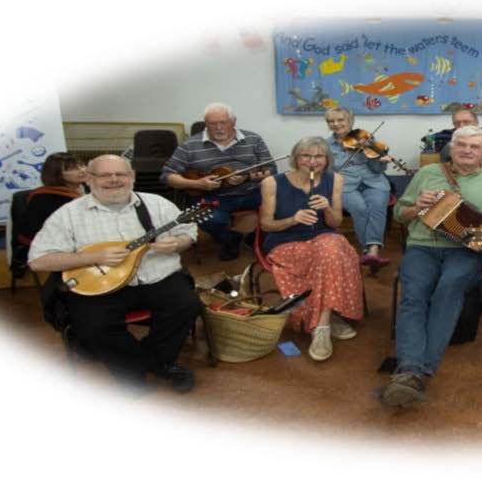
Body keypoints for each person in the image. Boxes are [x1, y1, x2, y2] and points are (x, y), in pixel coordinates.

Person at [28, 155, 201, 393]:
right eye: (104, 175)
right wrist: (93, 257)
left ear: (132, 177)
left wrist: (178, 243)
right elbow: (38, 260)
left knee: (187, 305)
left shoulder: (157, 204)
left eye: (120, 174)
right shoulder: (68, 214)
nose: (114, 180)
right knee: (93, 325)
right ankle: (150, 366)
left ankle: (152, 362)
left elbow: (188, 232)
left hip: (156, 276)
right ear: (89, 179)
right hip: (98, 285)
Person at [380, 125, 482, 408]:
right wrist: (417, 207)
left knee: (448, 288)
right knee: (413, 296)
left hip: (466, 252)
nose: (467, 150)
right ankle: (412, 370)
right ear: (451, 148)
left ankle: (415, 372)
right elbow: (399, 215)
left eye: (474, 147)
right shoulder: (428, 174)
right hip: (423, 246)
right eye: (461, 145)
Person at [259, 137, 364, 362]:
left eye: (319, 157)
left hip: (324, 238)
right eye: (306, 156)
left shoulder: (334, 179)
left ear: (327, 160)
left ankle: (321, 326)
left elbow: (335, 223)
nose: (312, 161)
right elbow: (266, 225)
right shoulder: (272, 183)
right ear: (296, 158)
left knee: (330, 247)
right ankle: (329, 318)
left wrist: (327, 208)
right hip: (286, 243)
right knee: (329, 254)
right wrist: (292, 219)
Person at [162, 103, 276, 261]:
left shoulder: (253, 139)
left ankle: (255, 237)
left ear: (233, 122)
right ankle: (230, 239)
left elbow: (271, 169)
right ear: (205, 123)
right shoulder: (190, 146)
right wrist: (198, 184)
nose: (218, 128)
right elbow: (167, 176)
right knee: (207, 219)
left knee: (283, 204)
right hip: (213, 197)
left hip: (252, 192)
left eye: (223, 122)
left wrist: (247, 177)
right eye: (212, 124)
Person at [325, 107, 392, 272]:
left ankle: (372, 252)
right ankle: (368, 252)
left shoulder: (365, 138)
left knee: (376, 206)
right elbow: (326, 171)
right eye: (331, 121)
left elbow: (376, 169)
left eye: (340, 120)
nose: (336, 124)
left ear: (350, 121)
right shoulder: (326, 146)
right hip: (345, 185)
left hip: (374, 181)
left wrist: (381, 160)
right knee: (360, 209)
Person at [13, 153, 88, 268]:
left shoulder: (86, 188)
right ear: (57, 174)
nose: (82, 170)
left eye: (82, 165)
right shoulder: (45, 198)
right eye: (73, 169)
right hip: (51, 248)